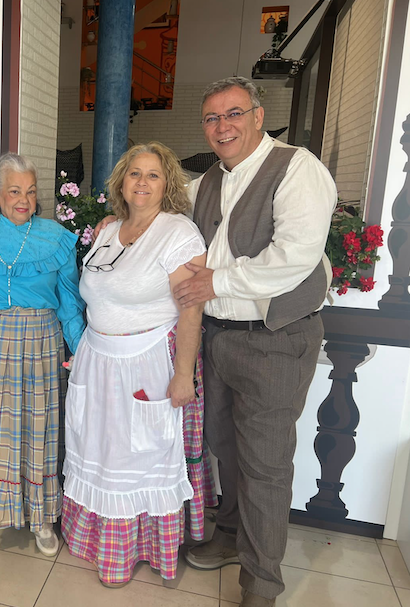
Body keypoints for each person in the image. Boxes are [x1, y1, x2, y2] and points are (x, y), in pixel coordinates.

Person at [175, 77, 336, 607]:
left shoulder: (296, 168)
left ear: (259, 116)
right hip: (218, 338)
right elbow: (166, 211)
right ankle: (230, 534)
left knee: (265, 464)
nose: (223, 126)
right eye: (212, 118)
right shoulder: (208, 181)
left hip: (275, 340)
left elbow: (294, 255)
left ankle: (262, 585)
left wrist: (217, 281)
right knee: (224, 447)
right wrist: (121, 217)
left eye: (234, 114)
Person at [61, 142, 213, 588]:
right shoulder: (109, 229)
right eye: (134, 173)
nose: (142, 182)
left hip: (146, 362)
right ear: (121, 182)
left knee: (139, 457)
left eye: (153, 175)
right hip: (97, 360)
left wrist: (182, 375)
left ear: (167, 184)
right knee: (98, 451)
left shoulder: (178, 233)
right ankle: (95, 540)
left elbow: (191, 309)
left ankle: (132, 552)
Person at [0, 152, 85, 557]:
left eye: (30, 191)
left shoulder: (56, 237)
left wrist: (82, 351)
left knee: (37, 426)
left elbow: (69, 301)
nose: (23, 200)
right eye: (14, 191)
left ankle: (41, 516)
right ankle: (0, 500)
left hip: (39, 339)